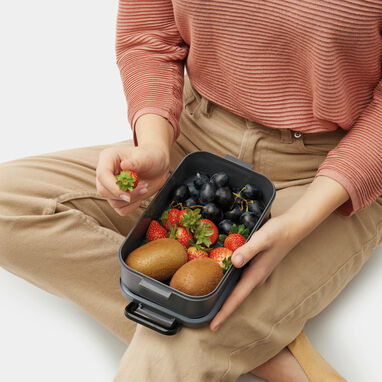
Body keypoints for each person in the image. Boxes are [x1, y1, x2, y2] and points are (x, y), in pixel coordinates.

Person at [0, 1, 381, 381]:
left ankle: (221, 338)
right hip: (196, 134)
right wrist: (154, 143)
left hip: (330, 172)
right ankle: (261, 350)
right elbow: (150, 33)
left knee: (164, 353)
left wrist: (297, 224)